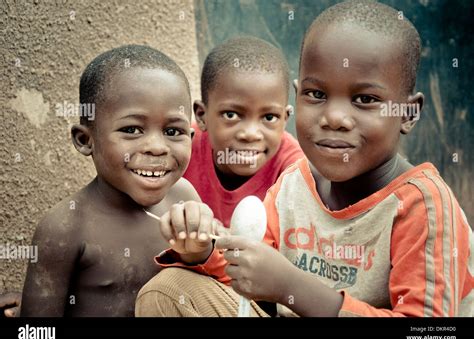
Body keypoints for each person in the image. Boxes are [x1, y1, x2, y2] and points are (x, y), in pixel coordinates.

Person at [136, 1, 473, 317]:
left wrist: (292, 286)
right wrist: (203, 252)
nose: (335, 117)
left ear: (408, 114)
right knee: (168, 291)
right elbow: (250, 267)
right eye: (317, 94)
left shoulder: (422, 205)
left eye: (365, 99)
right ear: (297, 97)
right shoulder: (294, 185)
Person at [20, 44, 217, 316]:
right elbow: (37, 330)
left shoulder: (182, 197)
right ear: (86, 140)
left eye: (173, 131)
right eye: (132, 129)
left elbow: (211, 288)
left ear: (191, 137)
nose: (157, 147)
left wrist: (201, 252)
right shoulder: (65, 228)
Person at [183, 36, 304, 227]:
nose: (250, 134)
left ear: (284, 120)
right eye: (231, 115)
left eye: (269, 117)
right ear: (202, 116)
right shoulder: (184, 148)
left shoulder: (293, 170)